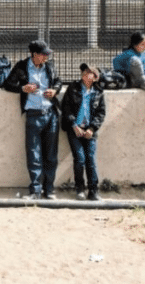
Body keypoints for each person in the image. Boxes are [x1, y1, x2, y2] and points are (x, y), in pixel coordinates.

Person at [3, 39, 63, 199]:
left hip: (51, 114)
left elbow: (58, 81)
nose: (46, 58)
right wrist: (23, 88)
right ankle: (35, 191)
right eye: (43, 55)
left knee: (51, 154)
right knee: (34, 154)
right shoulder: (22, 67)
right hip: (33, 115)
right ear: (34, 54)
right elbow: (7, 84)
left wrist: (55, 90)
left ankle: (49, 190)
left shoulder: (49, 67)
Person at [61, 64, 106, 200]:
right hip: (75, 129)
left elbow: (101, 113)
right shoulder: (73, 88)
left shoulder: (98, 92)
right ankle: (79, 189)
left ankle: (93, 191)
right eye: (84, 71)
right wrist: (74, 125)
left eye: (89, 72)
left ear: (95, 77)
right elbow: (66, 108)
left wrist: (92, 128)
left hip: (90, 131)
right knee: (80, 159)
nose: (85, 74)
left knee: (90, 160)